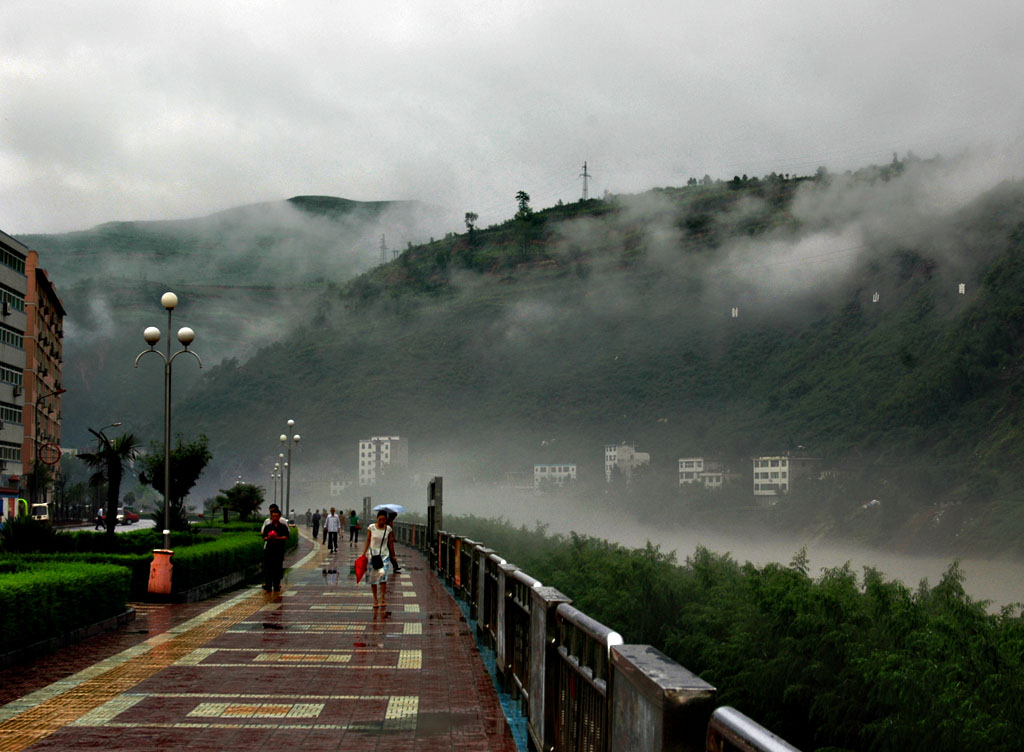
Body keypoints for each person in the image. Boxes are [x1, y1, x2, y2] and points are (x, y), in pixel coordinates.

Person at [361, 511, 393, 607]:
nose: (381, 521)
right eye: (380, 519)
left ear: (386, 520)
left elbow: (390, 543)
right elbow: (368, 540)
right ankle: (375, 599)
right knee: (373, 578)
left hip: (384, 555)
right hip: (372, 555)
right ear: (377, 519)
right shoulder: (371, 528)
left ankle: (382, 598)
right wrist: (364, 553)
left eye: (383, 520)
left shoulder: (388, 529)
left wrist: (393, 555)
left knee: (383, 577)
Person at [261, 507, 290, 591]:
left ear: (279, 517)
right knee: (268, 567)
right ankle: (268, 584)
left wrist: (277, 538)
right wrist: (269, 537)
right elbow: (264, 537)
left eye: (276, 516)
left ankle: (277, 584)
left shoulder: (283, 527)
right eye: (273, 516)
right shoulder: (268, 527)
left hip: (279, 550)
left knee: (278, 567)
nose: (275, 518)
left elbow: (286, 536)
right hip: (269, 550)